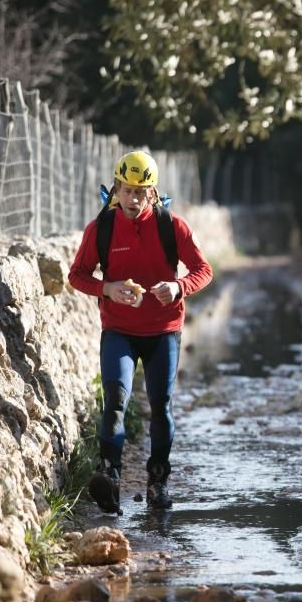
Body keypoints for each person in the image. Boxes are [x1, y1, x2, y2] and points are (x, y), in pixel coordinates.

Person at [68, 150, 213, 513]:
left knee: (160, 405)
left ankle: (158, 481)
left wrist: (178, 286)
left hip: (164, 329)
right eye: (126, 190)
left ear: (153, 192)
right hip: (118, 329)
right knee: (116, 399)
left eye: (140, 191)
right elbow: (77, 275)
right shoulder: (100, 228)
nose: (133, 199)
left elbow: (203, 269)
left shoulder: (172, 226)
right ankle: (109, 476)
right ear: (116, 188)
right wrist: (108, 288)